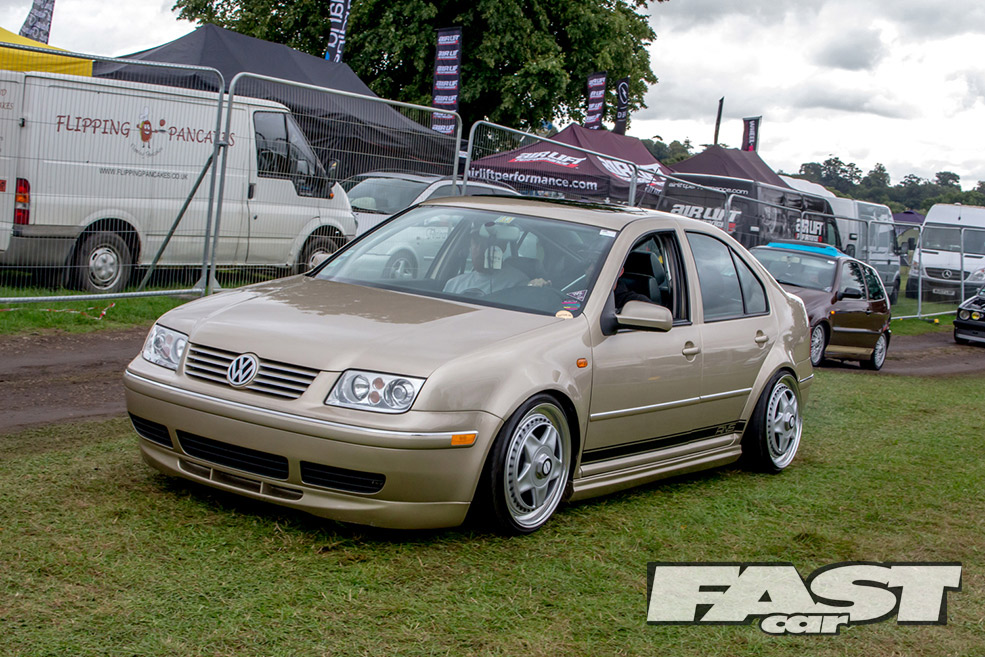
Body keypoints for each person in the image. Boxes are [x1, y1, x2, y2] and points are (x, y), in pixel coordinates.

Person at [443, 229, 528, 295]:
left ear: (502, 247)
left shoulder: (518, 284)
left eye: (487, 243)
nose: (480, 249)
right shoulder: (453, 284)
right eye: (476, 242)